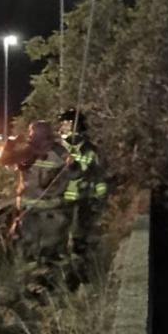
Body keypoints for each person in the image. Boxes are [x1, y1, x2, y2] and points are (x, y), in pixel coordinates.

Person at [8, 120, 72, 261]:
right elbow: (6, 159)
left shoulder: (59, 152)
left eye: (32, 132)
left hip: (51, 212)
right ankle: (28, 275)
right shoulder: (26, 150)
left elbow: (75, 172)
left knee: (50, 249)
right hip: (27, 210)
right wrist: (10, 145)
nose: (29, 136)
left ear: (43, 134)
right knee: (26, 247)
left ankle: (52, 277)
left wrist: (72, 164)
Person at [59, 110, 108, 266]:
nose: (65, 127)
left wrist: (100, 198)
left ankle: (80, 268)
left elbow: (98, 175)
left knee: (80, 237)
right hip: (59, 201)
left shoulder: (90, 150)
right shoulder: (57, 149)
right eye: (63, 123)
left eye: (69, 123)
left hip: (83, 200)